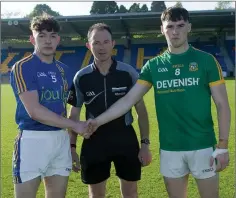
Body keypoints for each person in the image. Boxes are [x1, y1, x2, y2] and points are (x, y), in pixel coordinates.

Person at [86, 7, 231, 198]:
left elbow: (222, 105)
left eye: (180, 25)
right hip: (170, 149)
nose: (175, 31)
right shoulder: (153, 66)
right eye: (170, 26)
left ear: (189, 27)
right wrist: (97, 121)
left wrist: (223, 146)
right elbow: (128, 100)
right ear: (162, 29)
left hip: (203, 146)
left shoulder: (206, 61)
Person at [67, 23, 152, 198]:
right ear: (88, 46)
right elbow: (73, 115)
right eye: (96, 43)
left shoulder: (128, 73)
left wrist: (145, 145)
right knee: (95, 194)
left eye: (105, 42)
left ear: (113, 43)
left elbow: (141, 112)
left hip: (125, 137)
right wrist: (72, 147)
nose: (101, 47)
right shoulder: (81, 77)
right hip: (94, 139)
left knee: (131, 192)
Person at [10, 14, 88, 198]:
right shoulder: (22, 67)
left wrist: (71, 145)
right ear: (32, 39)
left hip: (59, 141)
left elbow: (70, 107)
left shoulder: (65, 70)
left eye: (52, 36)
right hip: (32, 141)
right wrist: (76, 125)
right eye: (42, 35)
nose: (47, 40)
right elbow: (35, 111)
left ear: (58, 40)